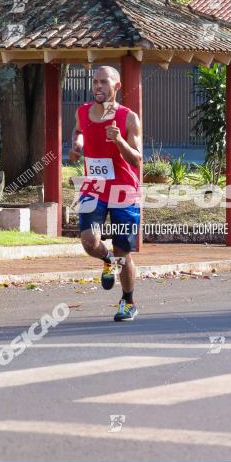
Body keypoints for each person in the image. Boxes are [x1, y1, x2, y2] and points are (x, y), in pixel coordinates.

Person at [69, 65, 142, 321]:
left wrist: (120, 141)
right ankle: (107, 259)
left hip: (124, 190)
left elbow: (137, 159)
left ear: (116, 86)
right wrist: (77, 144)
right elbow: (79, 131)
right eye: (95, 82)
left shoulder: (128, 117)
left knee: (124, 251)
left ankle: (128, 301)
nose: (97, 86)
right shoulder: (82, 112)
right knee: (89, 241)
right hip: (95, 187)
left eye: (103, 82)